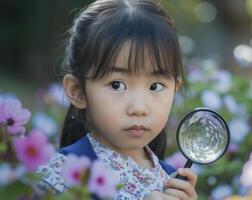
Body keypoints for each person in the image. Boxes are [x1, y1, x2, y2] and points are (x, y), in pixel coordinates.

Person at [36, 0, 198, 199]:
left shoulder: (171, 179)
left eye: (155, 86)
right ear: (78, 91)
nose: (139, 108)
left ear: (174, 90)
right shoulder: (59, 175)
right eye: (117, 85)